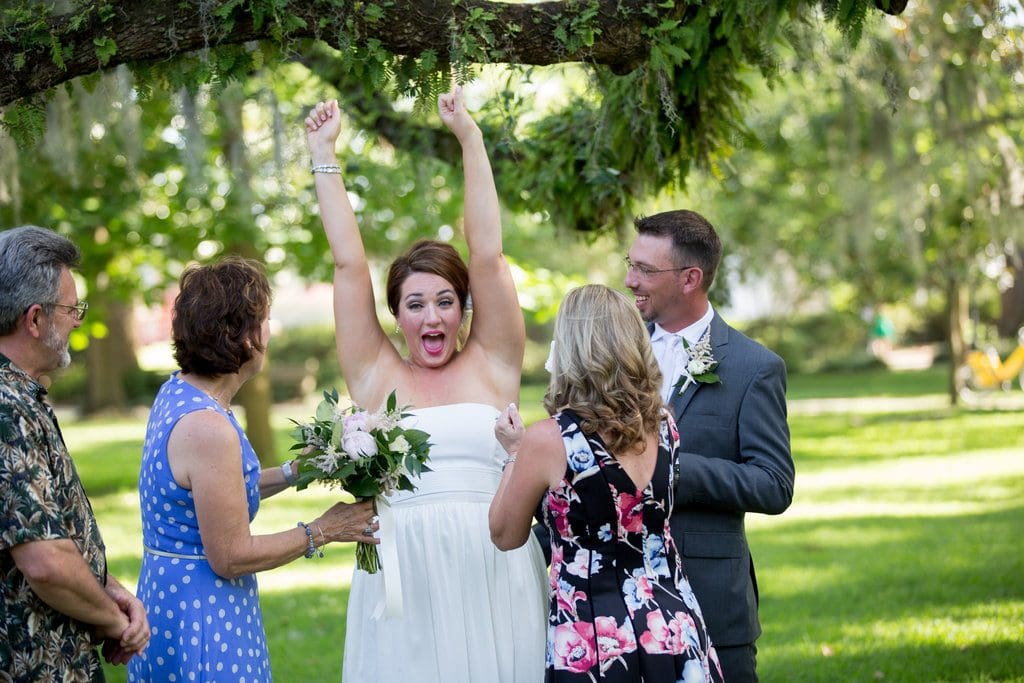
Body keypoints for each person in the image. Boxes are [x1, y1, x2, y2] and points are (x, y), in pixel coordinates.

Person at [305, 88, 547, 682]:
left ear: (465, 310)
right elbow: (346, 265)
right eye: (415, 304)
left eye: (445, 302)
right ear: (395, 315)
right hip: (404, 577)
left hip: (498, 566)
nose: (432, 318)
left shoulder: (493, 362)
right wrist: (323, 155)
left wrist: (470, 138)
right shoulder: (376, 375)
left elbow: (487, 255)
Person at [126, 256, 377, 682]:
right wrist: (325, 529)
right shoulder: (207, 427)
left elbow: (214, 492)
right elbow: (230, 556)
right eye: (264, 321)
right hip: (204, 619)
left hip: (170, 602)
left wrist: (295, 471)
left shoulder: (180, 392)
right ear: (240, 337)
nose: (270, 332)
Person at [490, 284, 723, 682]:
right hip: (672, 626)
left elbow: (505, 534)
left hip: (596, 639)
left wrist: (514, 453)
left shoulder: (549, 440)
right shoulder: (664, 425)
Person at [625, 209, 795, 682]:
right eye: (630, 263)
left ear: (690, 278)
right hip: (618, 598)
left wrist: (673, 468)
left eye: (644, 269)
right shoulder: (615, 354)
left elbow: (774, 484)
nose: (629, 278)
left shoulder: (753, 367)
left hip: (711, 599)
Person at [0, 225, 150, 680]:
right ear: (35, 320)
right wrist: (113, 620)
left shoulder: (22, 396)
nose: (78, 320)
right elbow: (45, 562)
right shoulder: (7, 409)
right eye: (71, 309)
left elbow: (58, 528)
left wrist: (109, 589)